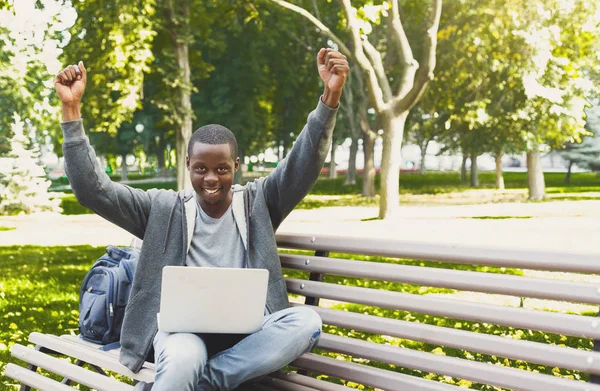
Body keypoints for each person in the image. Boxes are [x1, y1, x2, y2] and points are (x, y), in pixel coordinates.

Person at [54, 47, 349, 391]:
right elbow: (94, 190)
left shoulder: (260, 202)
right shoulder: (162, 209)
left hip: (248, 337)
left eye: (222, 169)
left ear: (236, 166)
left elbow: (304, 162)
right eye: (201, 169)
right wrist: (71, 110)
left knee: (306, 321)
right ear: (188, 168)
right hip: (183, 335)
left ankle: (199, 385)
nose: (211, 178)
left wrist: (331, 95)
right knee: (183, 359)